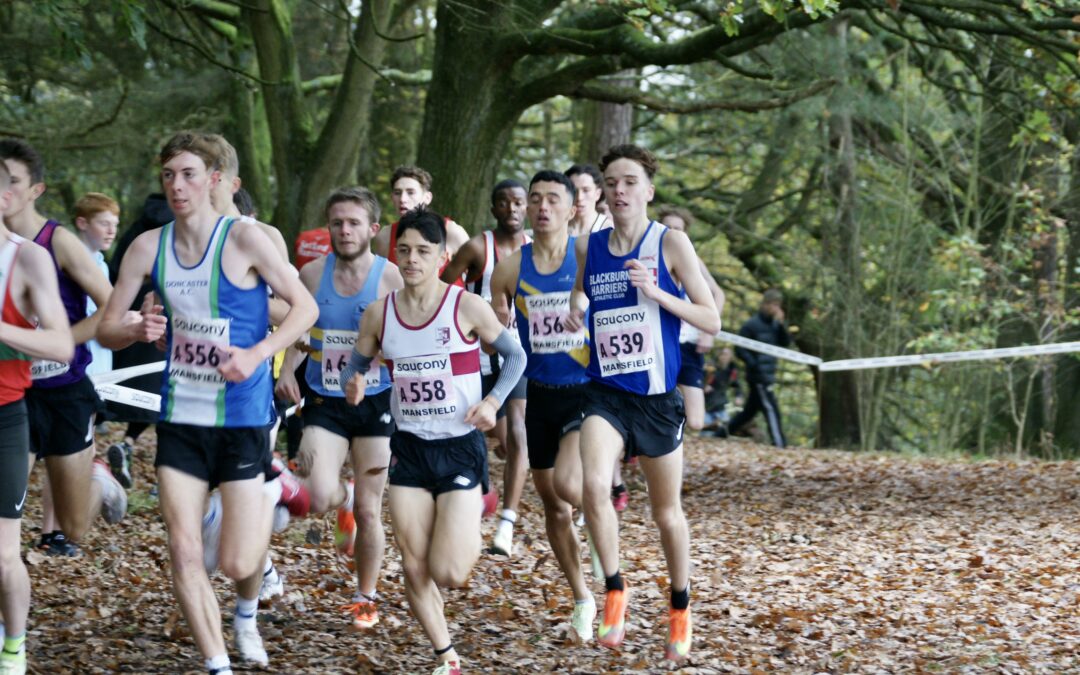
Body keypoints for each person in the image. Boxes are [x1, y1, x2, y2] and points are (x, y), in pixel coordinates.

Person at [97, 131, 318, 675]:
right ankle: (218, 664)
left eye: (189, 174)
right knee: (184, 550)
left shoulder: (246, 239)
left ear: (214, 180)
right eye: (169, 175)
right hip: (181, 416)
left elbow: (305, 308)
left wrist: (258, 353)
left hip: (241, 415)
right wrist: (136, 328)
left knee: (239, 561)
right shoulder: (148, 247)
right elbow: (106, 328)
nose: (177, 185)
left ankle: (270, 498)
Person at [340, 207, 525, 675]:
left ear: (442, 257)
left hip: (459, 447)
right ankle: (447, 657)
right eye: (403, 251)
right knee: (413, 564)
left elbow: (516, 357)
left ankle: (472, 507)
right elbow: (354, 367)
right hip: (409, 449)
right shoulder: (380, 314)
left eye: (423, 251)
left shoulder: (465, 306)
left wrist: (493, 402)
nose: (411, 260)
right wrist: (353, 383)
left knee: (450, 572)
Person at [564, 144, 721, 662]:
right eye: (611, 182)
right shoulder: (589, 246)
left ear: (648, 191)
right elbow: (582, 294)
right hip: (605, 392)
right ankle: (615, 590)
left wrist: (658, 294)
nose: (620, 190)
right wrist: (576, 310)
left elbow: (711, 318)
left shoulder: (670, 243)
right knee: (593, 486)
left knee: (665, 513)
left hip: (656, 400)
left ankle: (680, 605)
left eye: (630, 182)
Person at [274, 186, 402, 630]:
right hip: (324, 400)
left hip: (375, 401)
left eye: (353, 223)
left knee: (369, 510)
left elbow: (406, 339)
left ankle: (366, 597)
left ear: (372, 229)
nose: (344, 231)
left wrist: (369, 367)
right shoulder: (311, 274)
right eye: (337, 223)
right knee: (318, 496)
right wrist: (287, 369)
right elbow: (300, 328)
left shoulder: (390, 278)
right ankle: (342, 496)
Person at [0, 139, 128, 555]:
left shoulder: (58, 241)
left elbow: (111, 305)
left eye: (13, 181)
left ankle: (100, 481)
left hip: (64, 390)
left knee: (74, 527)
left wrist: (59, 342)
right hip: (14, 394)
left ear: (35, 190)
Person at [488, 170, 596, 640]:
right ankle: (582, 599)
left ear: (572, 208)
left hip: (587, 391)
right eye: (536, 199)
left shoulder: (588, 255)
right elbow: (496, 333)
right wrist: (495, 324)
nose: (543, 206)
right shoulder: (510, 269)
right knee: (554, 506)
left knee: (570, 485)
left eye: (554, 199)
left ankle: (602, 523)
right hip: (540, 394)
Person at [0, 159, 75, 675]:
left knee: (4, 555)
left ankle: (13, 647)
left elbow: (60, 344)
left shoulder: (26, 258)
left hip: (5, 416)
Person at [441, 179, 530, 557]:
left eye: (518, 202)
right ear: (493, 208)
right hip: (474, 357)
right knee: (480, 432)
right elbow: (441, 290)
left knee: (517, 436)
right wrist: (471, 314)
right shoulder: (478, 247)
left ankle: (506, 523)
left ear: (527, 207)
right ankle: (480, 492)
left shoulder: (536, 249)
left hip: (517, 355)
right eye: (503, 202)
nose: (512, 209)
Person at [104, 192, 173, 489]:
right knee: (165, 395)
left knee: (141, 391)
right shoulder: (180, 232)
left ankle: (127, 445)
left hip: (132, 317)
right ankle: (166, 472)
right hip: (163, 319)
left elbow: (116, 272)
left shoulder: (139, 232)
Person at [656, 206, 726, 432]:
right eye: (667, 227)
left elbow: (718, 294)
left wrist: (708, 333)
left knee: (696, 421)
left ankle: (670, 420)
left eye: (678, 228)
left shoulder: (692, 259)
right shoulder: (647, 254)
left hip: (689, 344)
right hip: (658, 341)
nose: (672, 232)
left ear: (685, 233)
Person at [371, 165, 469, 269]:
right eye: (397, 193)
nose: (403, 199)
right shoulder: (385, 236)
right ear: (392, 198)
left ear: (427, 198)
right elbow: (381, 276)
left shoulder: (451, 231)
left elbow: (475, 273)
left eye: (410, 192)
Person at [728, 289, 789, 448]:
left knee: (749, 412)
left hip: (769, 373)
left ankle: (723, 432)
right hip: (758, 376)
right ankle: (779, 443)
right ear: (766, 304)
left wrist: (781, 325)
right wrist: (753, 364)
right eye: (774, 305)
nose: (776, 308)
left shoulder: (775, 324)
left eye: (778, 305)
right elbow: (739, 348)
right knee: (771, 408)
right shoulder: (751, 325)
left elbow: (785, 343)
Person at [702, 346, 741, 436]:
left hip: (721, 406)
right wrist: (704, 386)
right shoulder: (710, 366)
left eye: (727, 355)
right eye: (723, 354)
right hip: (706, 405)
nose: (724, 357)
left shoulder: (732, 370)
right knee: (705, 434)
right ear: (719, 355)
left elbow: (736, 385)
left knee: (724, 433)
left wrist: (738, 396)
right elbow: (698, 379)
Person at [565, 164, 610, 237]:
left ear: (598, 194)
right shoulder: (557, 227)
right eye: (574, 191)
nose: (579, 197)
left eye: (586, 190)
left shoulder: (608, 229)